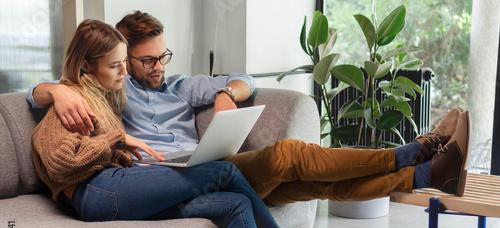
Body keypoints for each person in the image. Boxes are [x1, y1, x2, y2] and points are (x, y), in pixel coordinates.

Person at [30, 19, 320, 228]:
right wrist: (114, 138)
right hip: (95, 193)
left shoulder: (105, 95)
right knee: (224, 171)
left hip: (117, 190)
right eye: (116, 66)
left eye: (124, 64)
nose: (124, 73)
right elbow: (59, 161)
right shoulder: (73, 99)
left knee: (233, 204)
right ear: (86, 66)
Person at [27, 11, 471, 205]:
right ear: (123, 58)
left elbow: (247, 81)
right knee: (292, 155)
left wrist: (227, 94)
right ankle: (412, 152)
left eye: (163, 56)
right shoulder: (112, 92)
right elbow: (41, 94)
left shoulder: (182, 86)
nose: (157, 66)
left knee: (314, 185)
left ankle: (428, 176)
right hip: (172, 178)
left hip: (211, 164)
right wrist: (57, 90)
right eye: (145, 60)